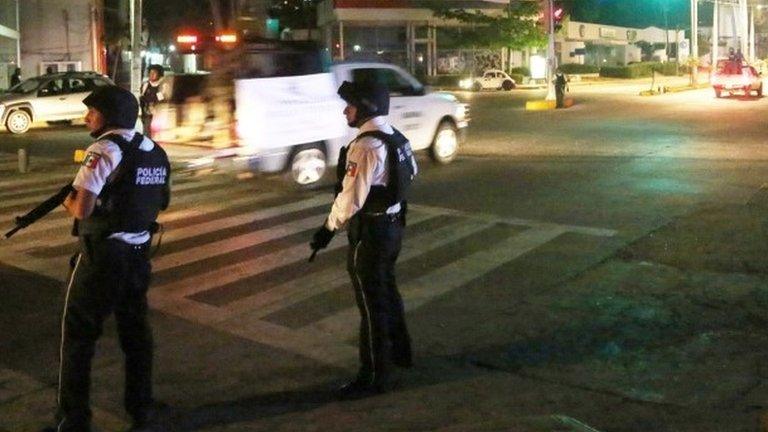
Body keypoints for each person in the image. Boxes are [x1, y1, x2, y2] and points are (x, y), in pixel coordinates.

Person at [41, 85, 170, 432]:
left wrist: (69, 201)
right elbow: (160, 201)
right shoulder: (155, 151)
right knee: (136, 334)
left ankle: (73, 419)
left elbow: (82, 208)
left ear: (109, 116)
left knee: (78, 336)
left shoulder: (103, 149)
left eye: (92, 111)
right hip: (139, 256)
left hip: (103, 256)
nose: (86, 117)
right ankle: (141, 408)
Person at [310, 80, 418, 398]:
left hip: (371, 233)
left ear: (367, 107)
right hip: (393, 227)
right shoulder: (395, 137)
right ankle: (401, 353)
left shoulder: (366, 146)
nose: (346, 109)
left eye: (351, 104)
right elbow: (412, 171)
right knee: (388, 290)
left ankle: (373, 375)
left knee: (371, 306)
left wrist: (327, 230)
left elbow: (350, 199)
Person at [139, 64, 167, 137]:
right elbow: (142, 98)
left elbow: (162, 99)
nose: (151, 75)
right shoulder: (145, 85)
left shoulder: (162, 86)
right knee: (147, 131)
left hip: (158, 114)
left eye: (154, 73)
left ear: (159, 75)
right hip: (147, 114)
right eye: (150, 73)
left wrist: (155, 107)